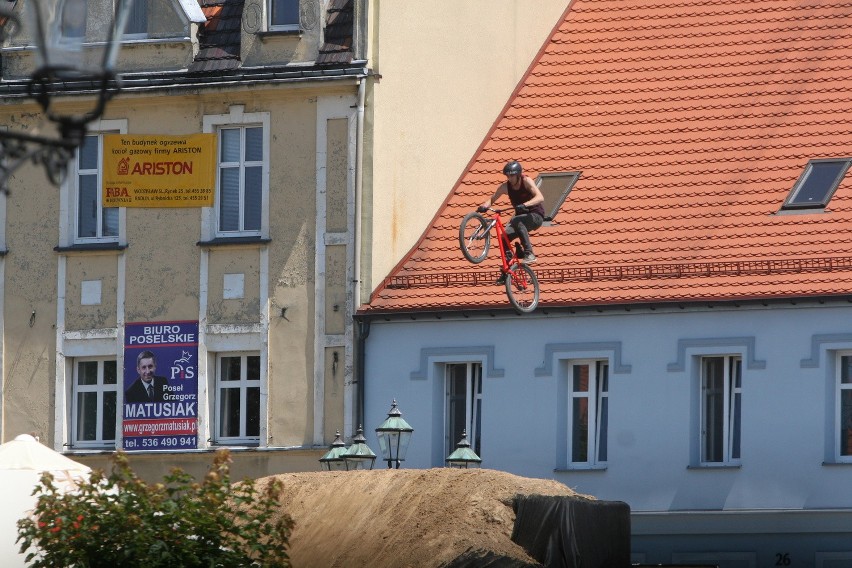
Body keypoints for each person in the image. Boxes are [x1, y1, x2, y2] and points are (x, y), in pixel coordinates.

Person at [478, 160, 545, 278]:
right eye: (508, 175)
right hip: (520, 218)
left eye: (512, 175)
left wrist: (525, 205)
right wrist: (484, 206)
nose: (510, 178)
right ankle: (508, 269)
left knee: (516, 221)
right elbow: (492, 199)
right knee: (503, 236)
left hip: (535, 215)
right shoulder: (505, 187)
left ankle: (529, 253)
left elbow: (540, 197)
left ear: (518, 174)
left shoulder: (526, 181)